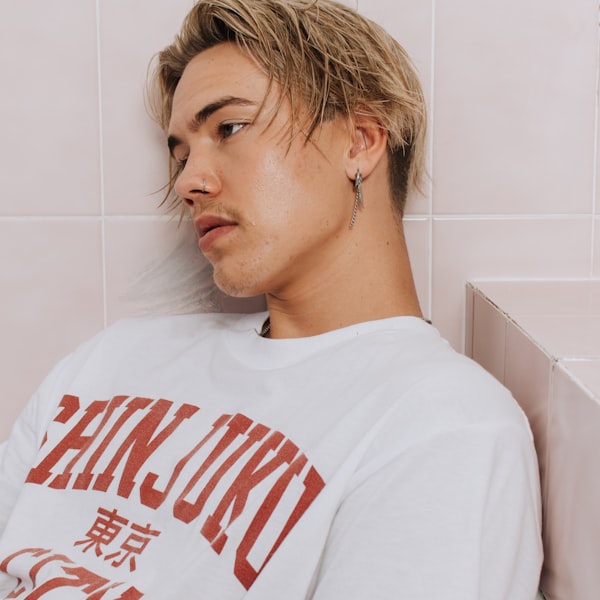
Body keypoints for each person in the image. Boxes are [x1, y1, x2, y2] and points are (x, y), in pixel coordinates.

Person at [0, 0, 543, 598]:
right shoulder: (110, 359)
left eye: (229, 128)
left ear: (360, 140)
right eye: (181, 154)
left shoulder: (446, 426)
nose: (188, 182)